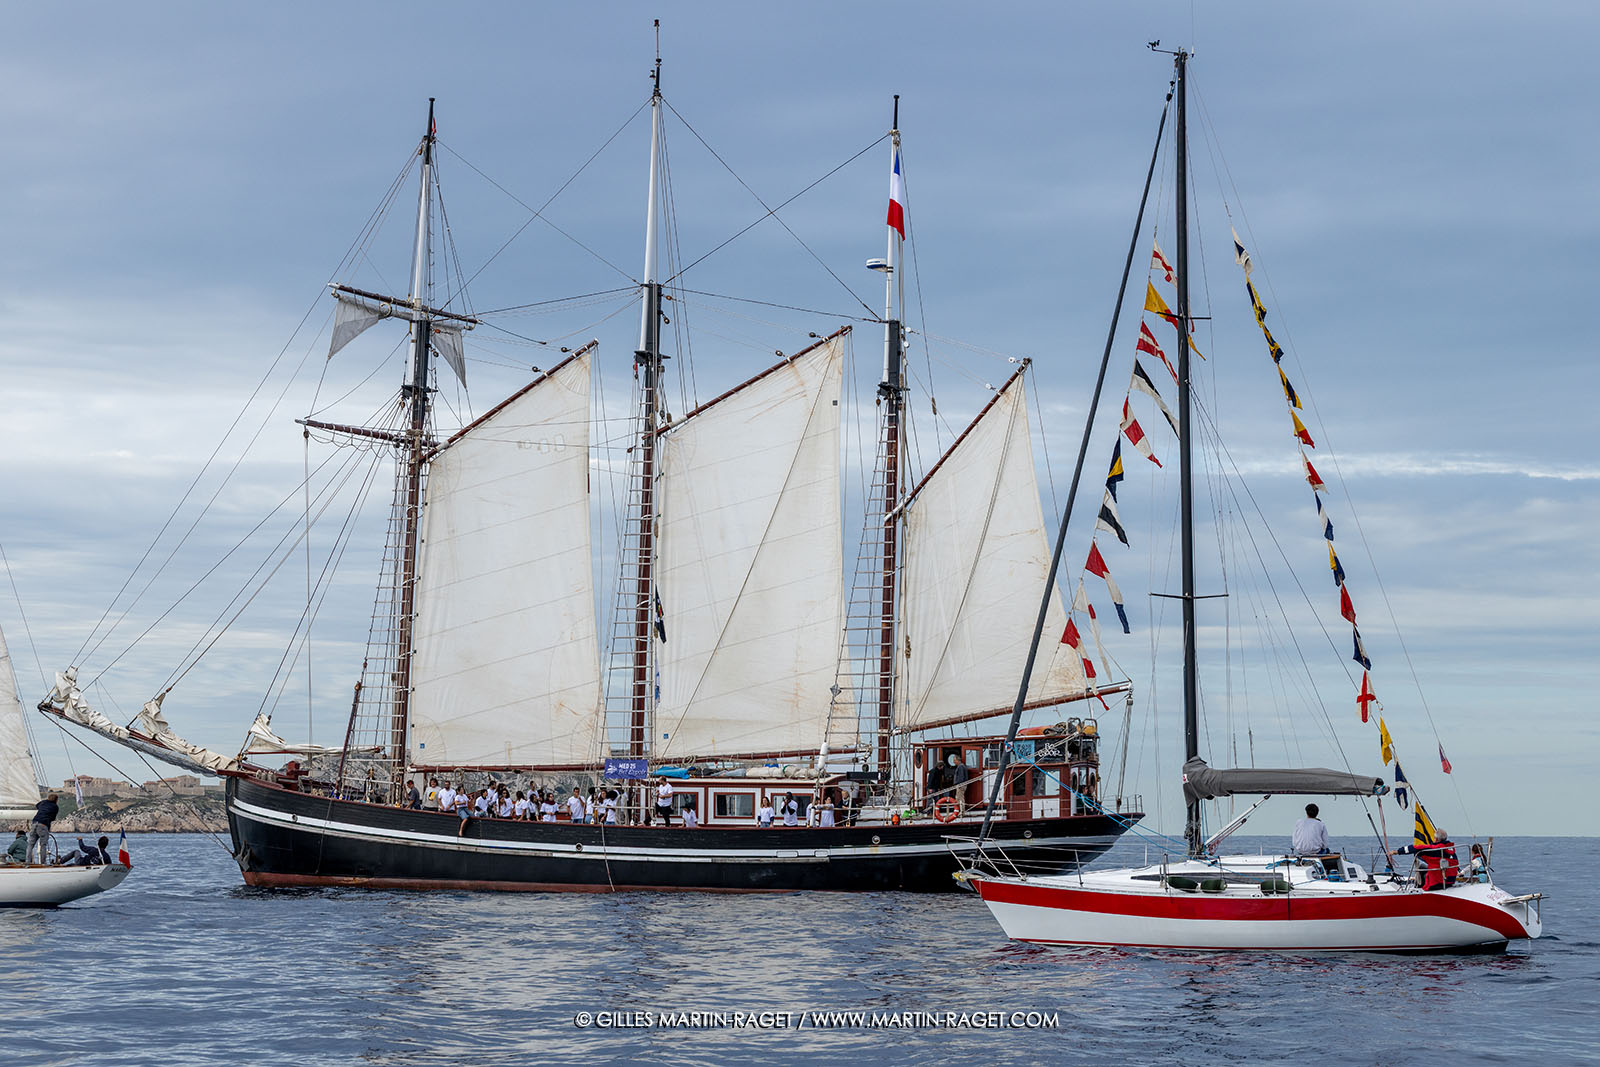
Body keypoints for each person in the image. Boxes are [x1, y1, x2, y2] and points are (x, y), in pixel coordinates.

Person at [1394, 829, 1461, 890]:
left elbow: (1415, 848)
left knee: (1421, 868)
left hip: (1437, 883)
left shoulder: (1434, 849)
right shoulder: (1451, 849)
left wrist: (1397, 852)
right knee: (1425, 866)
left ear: (1436, 839)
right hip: (1450, 880)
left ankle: (1419, 887)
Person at [27, 793, 59, 864]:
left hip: (34, 823)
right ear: (56, 800)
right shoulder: (55, 807)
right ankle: (43, 863)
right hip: (43, 825)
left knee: (30, 844)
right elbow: (53, 818)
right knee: (43, 845)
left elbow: (37, 805)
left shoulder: (43, 802)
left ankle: (28, 861)